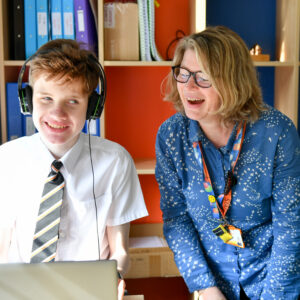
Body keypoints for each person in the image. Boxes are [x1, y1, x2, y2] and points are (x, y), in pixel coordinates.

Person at [155, 26, 300, 300]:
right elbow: (177, 220)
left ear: (232, 80)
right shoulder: (171, 135)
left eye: (203, 78)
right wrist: (206, 288)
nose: (188, 86)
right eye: (183, 73)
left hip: (273, 279)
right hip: (213, 284)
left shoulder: (276, 131)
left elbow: (290, 226)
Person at [0, 39, 148, 299]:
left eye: (72, 102)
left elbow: (121, 251)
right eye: (46, 98)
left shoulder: (115, 162)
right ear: (28, 100)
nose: (57, 113)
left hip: (88, 294)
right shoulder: (7, 160)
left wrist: (116, 276)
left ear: (92, 107)